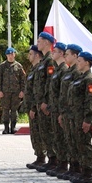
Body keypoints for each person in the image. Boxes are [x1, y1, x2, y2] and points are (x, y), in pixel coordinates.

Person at [67, 51, 92, 183]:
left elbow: (91, 102)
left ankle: (87, 173)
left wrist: (88, 120)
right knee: (77, 144)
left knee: (84, 145)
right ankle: (80, 169)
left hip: (82, 118)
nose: (78, 63)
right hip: (75, 117)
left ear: (87, 63)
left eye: (80, 61)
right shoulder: (80, 78)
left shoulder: (89, 79)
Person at [31, 32, 56, 171]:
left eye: (39, 41)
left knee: (48, 132)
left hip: (45, 103)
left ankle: (53, 159)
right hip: (39, 103)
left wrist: (45, 101)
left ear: (47, 43)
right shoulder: (43, 62)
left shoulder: (50, 61)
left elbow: (50, 83)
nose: (37, 43)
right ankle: (49, 160)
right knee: (44, 132)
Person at [57, 44, 81, 180]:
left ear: (75, 56)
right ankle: (73, 167)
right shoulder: (68, 71)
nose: (65, 56)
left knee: (76, 142)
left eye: (67, 54)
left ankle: (79, 169)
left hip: (74, 113)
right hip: (66, 112)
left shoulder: (77, 73)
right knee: (69, 140)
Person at [45, 42, 69, 177]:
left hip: (60, 109)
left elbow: (63, 93)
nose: (52, 53)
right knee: (57, 137)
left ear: (61, 54)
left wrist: (61, 111)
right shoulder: (57, 69)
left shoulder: (64, 70)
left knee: (61, 137)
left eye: (55, 51)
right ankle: (60, 163)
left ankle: (64, 164)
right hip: (54, 108)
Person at [24, 45, 45, 168]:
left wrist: (33, 107)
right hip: (32, 106)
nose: (28, 56)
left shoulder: (39, 69)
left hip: (36, 107)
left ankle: (42, 156)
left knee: (39, 132)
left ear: (37, 55)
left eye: (31, 54)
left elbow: (38, 91)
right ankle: (39, 156)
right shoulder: (33, 69)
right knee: (35, 133)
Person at [0, 47, 26, 134]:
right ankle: (6, 128)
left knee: (14, 109)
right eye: (8, 54)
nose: (10, 56)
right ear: (6, 55)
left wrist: (22, 91)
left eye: (12, 54)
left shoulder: (19, 66)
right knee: (5, 109)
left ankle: (13, 127)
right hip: (5, 92)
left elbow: (23, 80)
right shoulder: (2, 66)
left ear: (14, 54)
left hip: (16, 92)